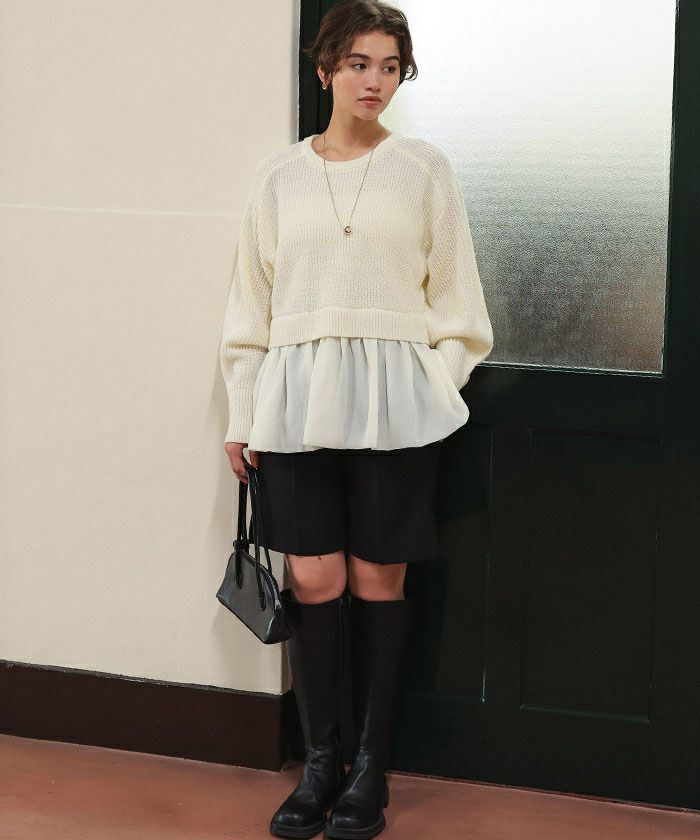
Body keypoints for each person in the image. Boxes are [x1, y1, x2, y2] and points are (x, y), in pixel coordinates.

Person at [218, 2, 494, 837]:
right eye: (358, 64)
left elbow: (459, 304)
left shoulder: (423, 168)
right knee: (313, 580)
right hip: (295, 407)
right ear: (325, 69)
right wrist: (244, 411)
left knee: (379, 581)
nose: (375, 81)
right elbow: (250, 307)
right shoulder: (278, 176)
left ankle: (370, 772)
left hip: (395, 413)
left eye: (390, 66)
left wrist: (431, 384)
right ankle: (320, 766)